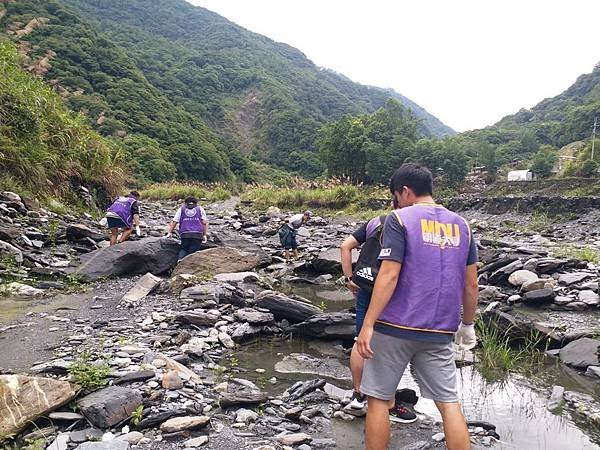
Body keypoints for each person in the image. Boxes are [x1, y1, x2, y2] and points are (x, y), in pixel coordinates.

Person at [357, 163, 479, 450]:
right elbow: (471, 284)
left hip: (394, 327)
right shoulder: (462, 225)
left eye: (397, 196)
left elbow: (389, 274)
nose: (397, 202)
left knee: (377, 400)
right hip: (440, 331)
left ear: (405, 191)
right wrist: (468, 325)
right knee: (449, 404)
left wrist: (368, 324)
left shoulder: (399, 219)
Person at [340, 213, 417, 423]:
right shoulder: (411, 223)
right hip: (391, 291)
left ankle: (358, 394)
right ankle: (388, 402)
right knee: (387, 343)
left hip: (366, 286)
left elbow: (345, 246)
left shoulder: (376, 221)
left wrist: (349, 278)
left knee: (361, 338)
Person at [166, 196, 208, 261]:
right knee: (193, 251)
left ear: (185, 203)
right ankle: (189, 264)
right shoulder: (200, 209)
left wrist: (170, 232)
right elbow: (204, 223)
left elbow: (175, 221)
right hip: (198, 234)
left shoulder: (181, 209)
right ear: (196, 203)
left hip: (185, 233)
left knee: (184, 249)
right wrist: (205, 234)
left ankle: (180, 260)